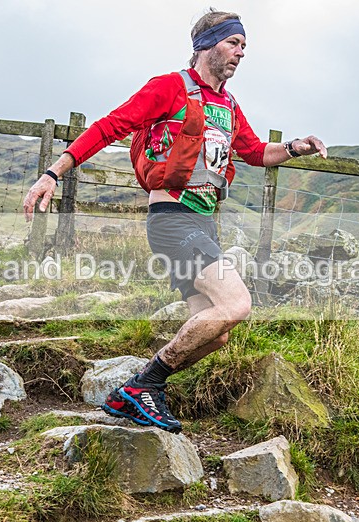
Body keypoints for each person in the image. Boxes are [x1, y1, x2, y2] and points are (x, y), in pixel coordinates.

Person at [23, 9, 327, 434]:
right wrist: (53, 173)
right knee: (237, 305)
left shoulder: (229, 104)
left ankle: (142, 390)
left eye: (244, 46)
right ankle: (144, 386)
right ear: (207, 44)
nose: (241, 52)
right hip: (171, 218)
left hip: (205, 222)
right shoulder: (170, 88)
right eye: (233, 43)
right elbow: (110, 127)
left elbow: (255, 152)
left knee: (215, 333)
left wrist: (296, 147)